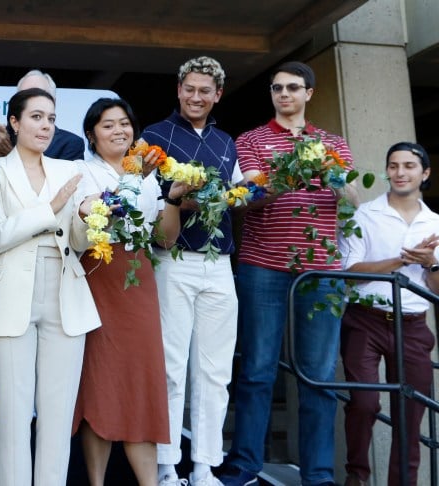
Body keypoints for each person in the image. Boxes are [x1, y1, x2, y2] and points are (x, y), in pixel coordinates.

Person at [219, 61, 358, 486]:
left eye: (293, 88)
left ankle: (318, 475)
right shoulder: (252, 140)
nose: (284, 94)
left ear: (309, 94)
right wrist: (287, 174)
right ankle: (245, 465)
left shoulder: (333, 142)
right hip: (263, 265)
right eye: (277, 88)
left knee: (319, 375)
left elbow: (353, 197)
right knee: (258, 370)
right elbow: (246, 201)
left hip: (321, 270)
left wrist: (328, 171)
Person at [0, 87, 100, 486]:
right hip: (10, 295)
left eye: (51, 118)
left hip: (65, 293)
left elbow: (80, 243)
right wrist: (50, 210)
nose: (46, 125)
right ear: (14, 122)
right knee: (12, 421)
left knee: (57, 417)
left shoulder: (69, 171)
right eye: (36, 117)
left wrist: (87, 217)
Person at [72, 97, 184, 486]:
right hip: (99, 275)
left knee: (141, 381)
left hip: (139, 282)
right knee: (100, 383)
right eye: (108, 125)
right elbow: (104, 215)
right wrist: (135, 176)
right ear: (91, 134)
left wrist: (170, 197)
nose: (119, 131)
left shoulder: (150, 177)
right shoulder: (82, 172)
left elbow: (165, 240)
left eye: (125, 123)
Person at [141, 56, 239, 486]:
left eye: (205, 91)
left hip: (220, 263)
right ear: (178, 90)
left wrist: (252, 190)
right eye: (189, 89)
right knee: (169, 365)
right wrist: (184, 200)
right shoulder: (152, 136)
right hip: (171, 261)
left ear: (217, 94)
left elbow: (237, 196)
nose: (196, 97)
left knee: (215, 371)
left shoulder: (227, 141)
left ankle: (204, 467)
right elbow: (144, 197)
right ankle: (165, 468)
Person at [338, 142, 438, 486]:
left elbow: (437, 289)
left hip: (413, 325)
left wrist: (432, 263)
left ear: (424, 174)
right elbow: (350, 271)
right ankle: (357, 476)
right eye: (393, 166)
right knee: (364, 403)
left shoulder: (436, 222)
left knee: (410, 415)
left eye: (409, 166)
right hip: (365, 319)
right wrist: (402, 260)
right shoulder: (364, 214)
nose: (400, 173)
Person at [0, 70, 85, 160]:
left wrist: (9, 155)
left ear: (53, 102)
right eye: (24, 96)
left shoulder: (69, 143)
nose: (32, 102)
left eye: (40, 94)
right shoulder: (0, 139)